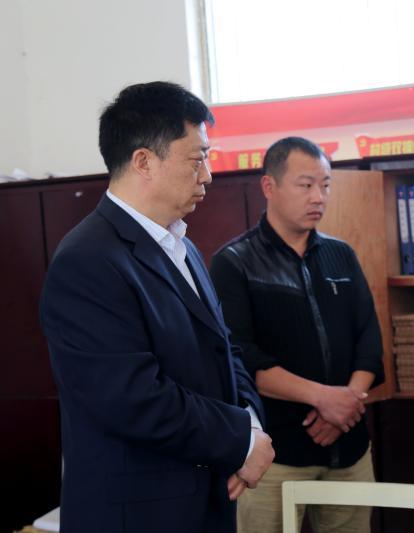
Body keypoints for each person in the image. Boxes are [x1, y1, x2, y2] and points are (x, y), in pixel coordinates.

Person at [39, 81, 275, 533]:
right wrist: (239, 440)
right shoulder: (87, 260)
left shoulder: (180, 245)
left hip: (205, 500)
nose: (208, 175)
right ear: (144, 161)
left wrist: (251, 426)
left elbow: (225, 350)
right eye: (197, 159)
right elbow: (133, 398)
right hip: (139, 514)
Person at [210, 136, 384, 533]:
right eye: (306, 185)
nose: (318, 196)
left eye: (325, 185)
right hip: (275, 456)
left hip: (349, 449)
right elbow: (240, 359)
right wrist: (324, 399)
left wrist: (343, 410)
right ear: (269, 186)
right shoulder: (234, 262)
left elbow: (369, 343)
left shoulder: (341, 255)